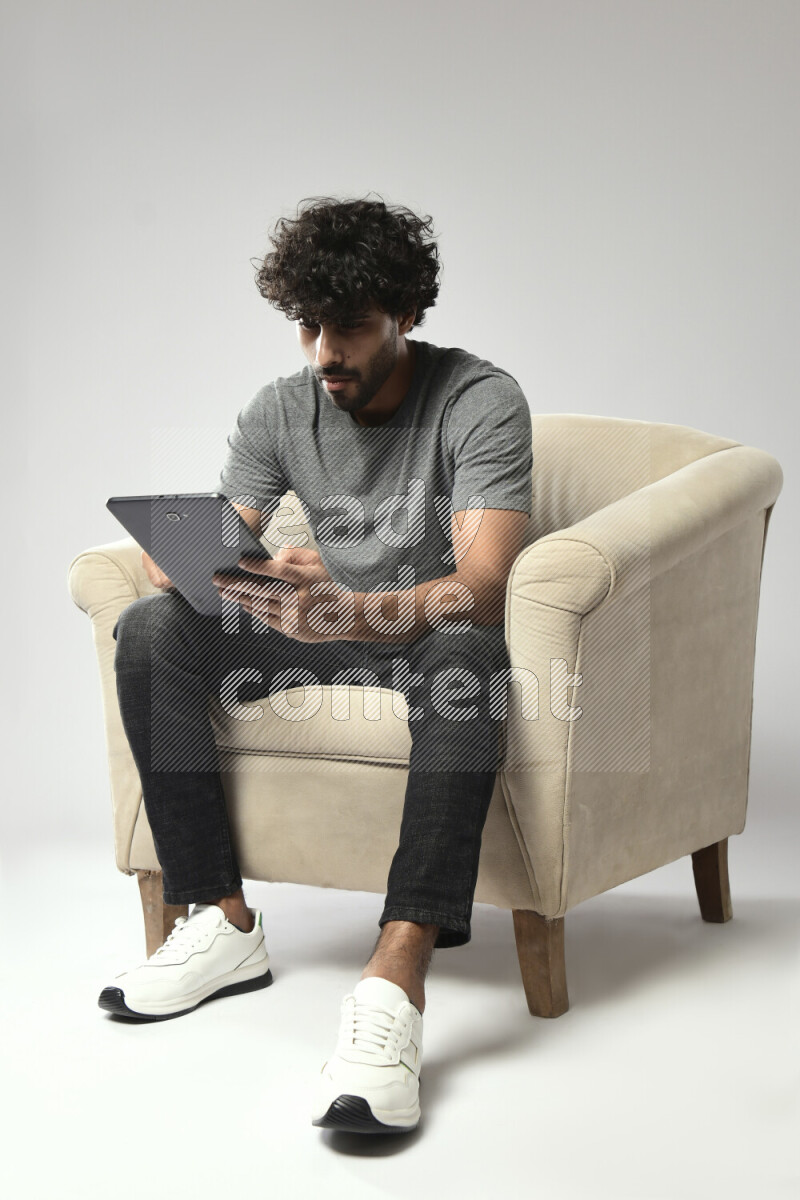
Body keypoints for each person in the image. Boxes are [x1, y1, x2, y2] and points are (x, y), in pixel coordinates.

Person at [100, 195, 533, 1135]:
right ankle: (220, 921)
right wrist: (239, 566)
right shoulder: (279, 409)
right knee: (151, 628)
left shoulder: (477, 400)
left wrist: (352, 605)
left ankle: (395, 978)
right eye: (310, 326)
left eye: (352, 327)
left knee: (471, 657)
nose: (326, 351)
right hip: (321, 634)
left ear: (406, 317)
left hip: (423, 639)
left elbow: (487, 585)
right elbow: (190, 557)